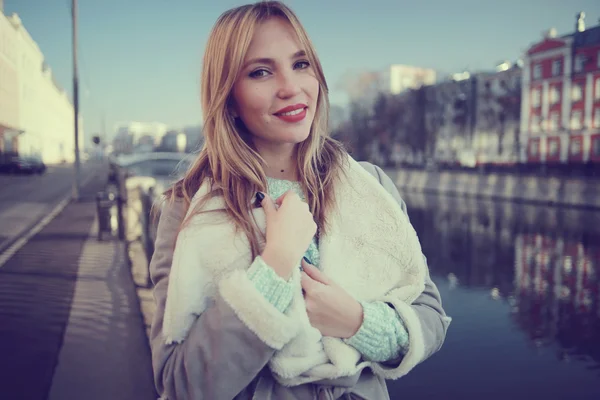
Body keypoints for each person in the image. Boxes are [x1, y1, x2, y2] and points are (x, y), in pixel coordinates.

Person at [149, 2, 450, 399]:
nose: (291, 87)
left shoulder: (370, 185)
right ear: (229, 97)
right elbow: (178, 381)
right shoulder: (190, 208)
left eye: (301, 64)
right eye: (260, 72)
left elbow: (430, 317)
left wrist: (359, 322)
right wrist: (274, 267)